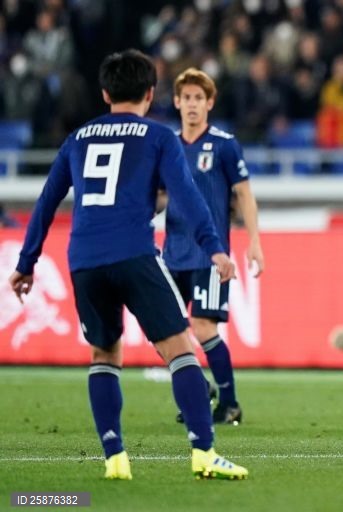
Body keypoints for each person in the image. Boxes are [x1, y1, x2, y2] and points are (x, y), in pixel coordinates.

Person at [7, 50, 249, 480]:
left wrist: (26, 262)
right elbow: (188, 197)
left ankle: (115, 458)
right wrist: (213, 246)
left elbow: (46, 203)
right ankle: (204, 453)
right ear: (151, 93)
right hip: (134, 253)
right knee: (180, 348)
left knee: (104, 355)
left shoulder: (77, 138)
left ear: (105, 93)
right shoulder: (159, 137)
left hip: (83, 259)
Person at [161, 67, 265, 425]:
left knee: (203, 327)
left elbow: (245, 195)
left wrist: (254, 242)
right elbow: (159, 199)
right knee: (163, 330)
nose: (192, 105)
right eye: (186, 98)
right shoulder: (167, 145)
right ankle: (200, 387)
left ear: (209, 102)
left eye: (198, 98)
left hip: (210, 254)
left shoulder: (223, 144)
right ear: (176, 102)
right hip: (171, 252)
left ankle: (230, 402)